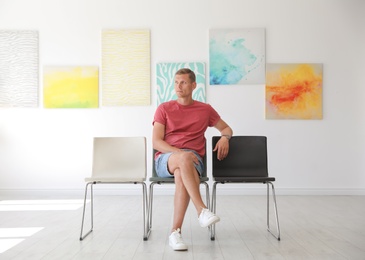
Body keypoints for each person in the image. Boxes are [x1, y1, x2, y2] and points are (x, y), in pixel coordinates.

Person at [152, 68, 233, 251]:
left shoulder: (205, 109)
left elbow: (227, 129)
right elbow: (157, 141)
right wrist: (179, 153)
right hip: (166, 158)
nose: (178, 86)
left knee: (182, 173)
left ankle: (175, 233)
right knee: (183, 159)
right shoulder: (164, 108)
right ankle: (201, 210)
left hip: (193, 160)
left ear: (193, 85)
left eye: (183, 82)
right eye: (176, 82)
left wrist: (224, 138)